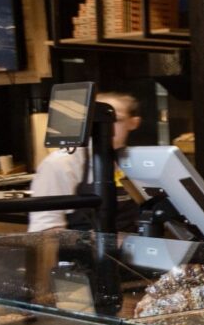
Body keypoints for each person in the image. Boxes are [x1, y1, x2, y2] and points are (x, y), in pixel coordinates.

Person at [25, 90, 141, 232]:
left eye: (116, 120)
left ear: (134, 123)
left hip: (135, 250)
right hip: (81, 252)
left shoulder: (138, 161)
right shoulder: (61, 163)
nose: (107, 127)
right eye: (97, 120)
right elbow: (45, 229)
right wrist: (96, 243)